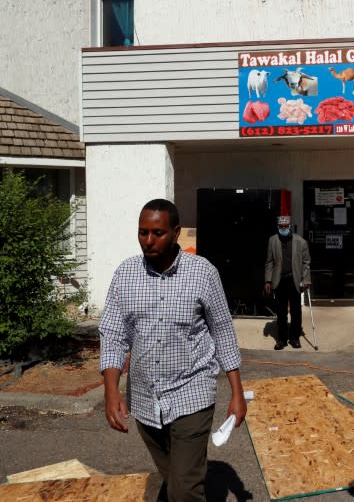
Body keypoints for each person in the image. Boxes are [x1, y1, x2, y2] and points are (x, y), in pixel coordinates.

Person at [99, 199, 246, 502]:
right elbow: (112, 334)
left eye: (157, 233)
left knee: (182, 491)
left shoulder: (203, 273)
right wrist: (111, 390)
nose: (148, 241)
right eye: (142, 232)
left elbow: (223, 332)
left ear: (176, 232)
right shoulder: (125, 275)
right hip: (144, 398)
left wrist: (237, 394)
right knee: (174, 476)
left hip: (192, 392)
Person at [264, 215, 311, 350]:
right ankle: (282, 339)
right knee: (281, 311)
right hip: (279, 280)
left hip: (294, 280)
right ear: (278, 227)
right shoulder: (273, 240)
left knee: (296, 311)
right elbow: (269, 262)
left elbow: (306, 262)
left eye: (285, 226)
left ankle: (295, 338)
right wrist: (268, 280)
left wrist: (306, 280)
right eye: (281, 227)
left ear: (290, 226)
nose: (283, 229)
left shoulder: (300, 242)